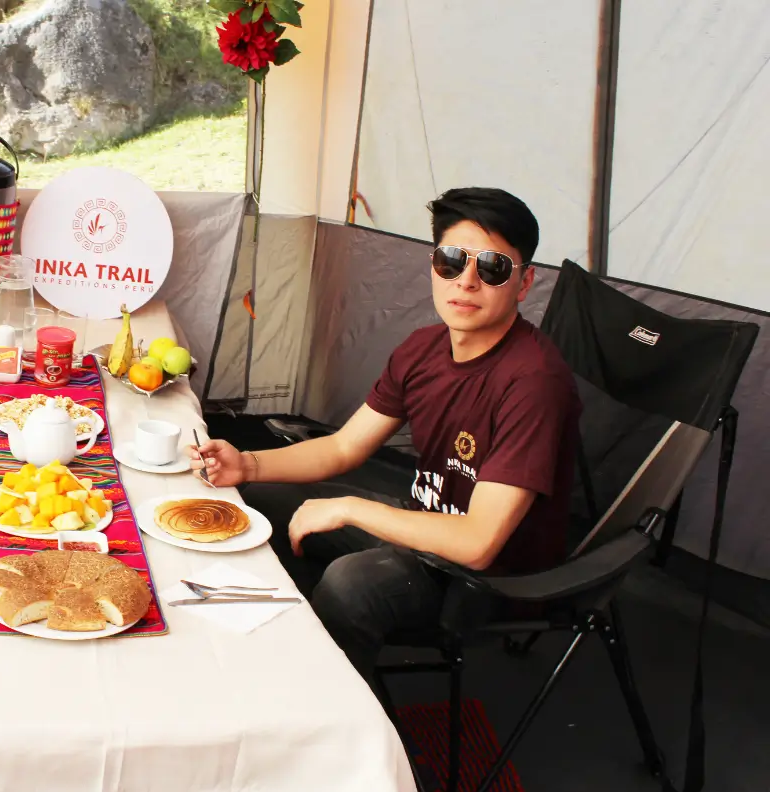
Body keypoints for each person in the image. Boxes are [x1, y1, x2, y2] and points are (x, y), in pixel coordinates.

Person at [189, 187, 582, 686]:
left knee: (353, 585)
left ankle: (338, 730)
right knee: (249, 499)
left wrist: (349, 508)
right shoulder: (423, 349)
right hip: (426, 526)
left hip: (490, 578)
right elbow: (344, 446)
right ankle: (275, 655)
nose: (467, 281)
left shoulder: (534, 383)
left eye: (493, 268)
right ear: (433, 265)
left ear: (524, 283)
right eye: (452, 260)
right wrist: (247, 464)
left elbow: (480, 543)